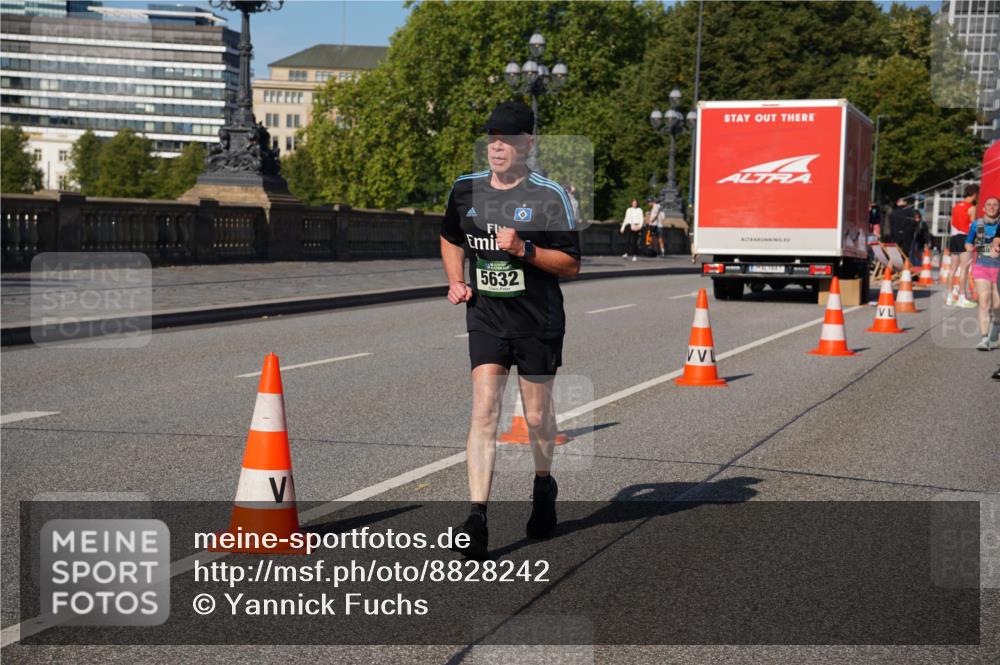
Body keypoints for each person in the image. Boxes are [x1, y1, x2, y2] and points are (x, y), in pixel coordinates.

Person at [440, 101, 581, 559]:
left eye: (508, 139)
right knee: (484, 409)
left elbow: (572, 264)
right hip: (486, 316)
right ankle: (477, 516)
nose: (497, 146)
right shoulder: (466, 189)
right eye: (492, 138)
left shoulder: (549, 196)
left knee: (537, 417)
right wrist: (455, 279)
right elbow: (449, 236)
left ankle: (543, 485)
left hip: (537, 319)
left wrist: (525, 248)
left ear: (528, 144)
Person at [966, 197, 1000, 351]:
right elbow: (969, 245)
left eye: (995, 205)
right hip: (982, 266)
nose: (992, 207)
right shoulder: (978, 224)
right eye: (989, 205)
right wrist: (986, 250)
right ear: (984, 208)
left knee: (998, 305)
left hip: (998, 268)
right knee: (984, 302)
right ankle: (984, 338)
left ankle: (996, 331)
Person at [947, 184, 979, 308]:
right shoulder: (972, 208)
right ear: (975, 194)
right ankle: (962, 297)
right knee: (964, 269)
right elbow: (973, 227)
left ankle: (950, 297)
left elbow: (952, 222)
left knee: (952, 269)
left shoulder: (955, 206)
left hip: (954, 238)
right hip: (965, 238)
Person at [889, 198, 917, 263]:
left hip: (896, 234)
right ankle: (905, 265)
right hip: (907, 235)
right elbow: (914, 223)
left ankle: (896, 265)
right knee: (906, 253)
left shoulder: (893, 212)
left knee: (896, 252)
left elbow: (891, 224)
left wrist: (892, 234)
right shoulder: (910, 211)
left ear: (897, 203)